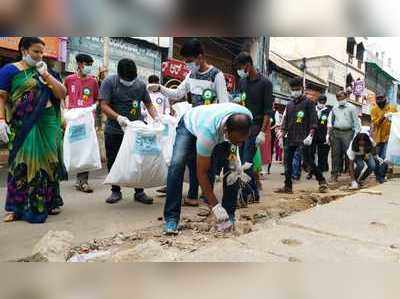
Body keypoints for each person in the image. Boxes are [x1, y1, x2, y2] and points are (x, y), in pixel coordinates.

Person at [148, 38, 230, 207]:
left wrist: (222, 131)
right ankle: (192, 195)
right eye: (185, 61)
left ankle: (208, 195)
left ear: (200, 57)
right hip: (193, 124)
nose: (187, 65)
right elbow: (177, 93)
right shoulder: (190, 75)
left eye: (189, 61)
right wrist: (160, 88)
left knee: (209, 162)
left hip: (210, 127)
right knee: (189, 161)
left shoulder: (217, 75)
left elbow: (224, 104)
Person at [0, 37, 67, 223]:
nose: (39, 56)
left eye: (41, 52)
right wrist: (1, 120)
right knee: (21, 163)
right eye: (35, 51)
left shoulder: (47, 72)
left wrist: (46, 75)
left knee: (48, 162)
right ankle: (15, 208)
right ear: (24, 50)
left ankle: (49, 202)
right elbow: (2, 97)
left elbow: (62, 94)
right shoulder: (9, 71)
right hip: (23, 124)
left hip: (48, 124)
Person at [163, 103, 253, 234]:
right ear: (226, 132)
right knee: (177, 164)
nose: (239, 144)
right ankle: (171, 218)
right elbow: (202, 173)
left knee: (233, 170)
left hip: (217, 125)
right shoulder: (207, 134)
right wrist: (215, 205)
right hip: (190, 123)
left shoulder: (247, 117)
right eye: (236, 141)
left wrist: (236, 159)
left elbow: (236, 144)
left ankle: (229, 216)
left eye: (242, 141)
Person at [100, 58, 160, 205]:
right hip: (115, 129)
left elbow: (149, 104)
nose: (129, 82)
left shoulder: (140, 85)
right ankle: (115, 190)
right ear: (119, 75)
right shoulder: (110, 82)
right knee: (113, 160)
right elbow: (103, 105)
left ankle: (139, 192)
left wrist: (157, 118)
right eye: (126, 79)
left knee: (139, 161)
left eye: (131, 79)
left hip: (135, 131)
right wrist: (118, 117)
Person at [275, 77, 328, 194]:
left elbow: (314, 121)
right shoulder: (289, 105)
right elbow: (286, 121)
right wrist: (281, 133)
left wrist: (310, 135)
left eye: (297, 89)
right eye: (293, 89)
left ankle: (322, 181)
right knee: (287, 162)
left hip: (304, 138)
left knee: (309, 161)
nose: (295, 91)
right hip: (291, 137)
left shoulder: (309, 103)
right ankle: (288, 186)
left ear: (302, 89)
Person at [234, 52, 273, 203]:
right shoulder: (242, 82)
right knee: (242, 162)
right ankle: (254, 192)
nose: (239, 70)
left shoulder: (265, 83)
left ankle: (245, 194)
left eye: (240, 67)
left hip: (256, 126)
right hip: (242, 125)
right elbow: (240, 100)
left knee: (246, 161)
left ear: (248, 65)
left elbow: (268, 111)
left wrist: (262, 132)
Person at [64, 53, 99, 193]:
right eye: (87, 64)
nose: (89, 67)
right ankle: (72, 175)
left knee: (86, 148)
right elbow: (62, 94)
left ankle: (83, 181)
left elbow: (97, 99)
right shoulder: (69, 79)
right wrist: (64, 113)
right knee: (74, 147)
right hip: (73, 118)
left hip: (87, 118)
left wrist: (94, 108)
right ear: (79, 64)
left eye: (91, 65)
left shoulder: (93, 81)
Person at [327, 90, 361, 182]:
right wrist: (329, 134)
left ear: (346, 97)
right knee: (335, 154)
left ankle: (351, 174)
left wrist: (355, 136)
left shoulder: (352, 108)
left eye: (341, 98)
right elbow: (331, 121)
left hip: (348, 133)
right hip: (336, 132)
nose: (340, 100)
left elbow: (356, 124)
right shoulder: (335, 107)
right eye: (338, 98)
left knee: (349, 154)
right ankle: (334, 174)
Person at [307, 95, 331, 179]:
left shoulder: (328, 111)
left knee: (322, 154)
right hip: (312, 134)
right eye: (320, 102)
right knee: (311, 153)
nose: (321, 104)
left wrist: (328, 135)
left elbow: (329, 124)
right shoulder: (313, 109)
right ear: (317, 101)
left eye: (323, 102)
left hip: (323, 135)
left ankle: (320, 172)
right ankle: (310, 171)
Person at [370, 93, 398, 159]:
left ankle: (382, 169)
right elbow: (376, 123)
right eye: (378, 98)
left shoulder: (393, 108)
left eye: (381, 98)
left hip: (388, 137)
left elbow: (397, 121)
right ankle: (376, 169)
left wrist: (392, 117)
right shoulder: (373, 109)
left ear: (385, 98)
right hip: (377, 138)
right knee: (376, 157)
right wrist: (384, 116)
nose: (379, 100)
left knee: (384, 157)